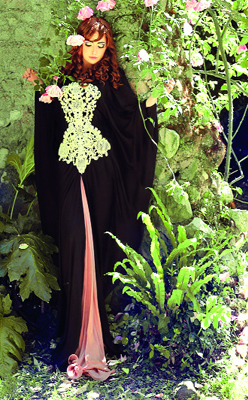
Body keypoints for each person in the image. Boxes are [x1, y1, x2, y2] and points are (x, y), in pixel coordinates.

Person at [23, 16, 174, 381]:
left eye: (100, 45)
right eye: (88, 43)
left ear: (108, 49)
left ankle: (94, 337)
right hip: (67, 173)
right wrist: (41, 90)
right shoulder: (59, 80)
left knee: (96, 246)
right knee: (75, 242)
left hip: (101, 174)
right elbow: (47, 128)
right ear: (78, 44)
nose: (93, 51)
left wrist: (151, 105)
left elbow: (129, 124)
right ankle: (76, 334)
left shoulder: (112, 83)